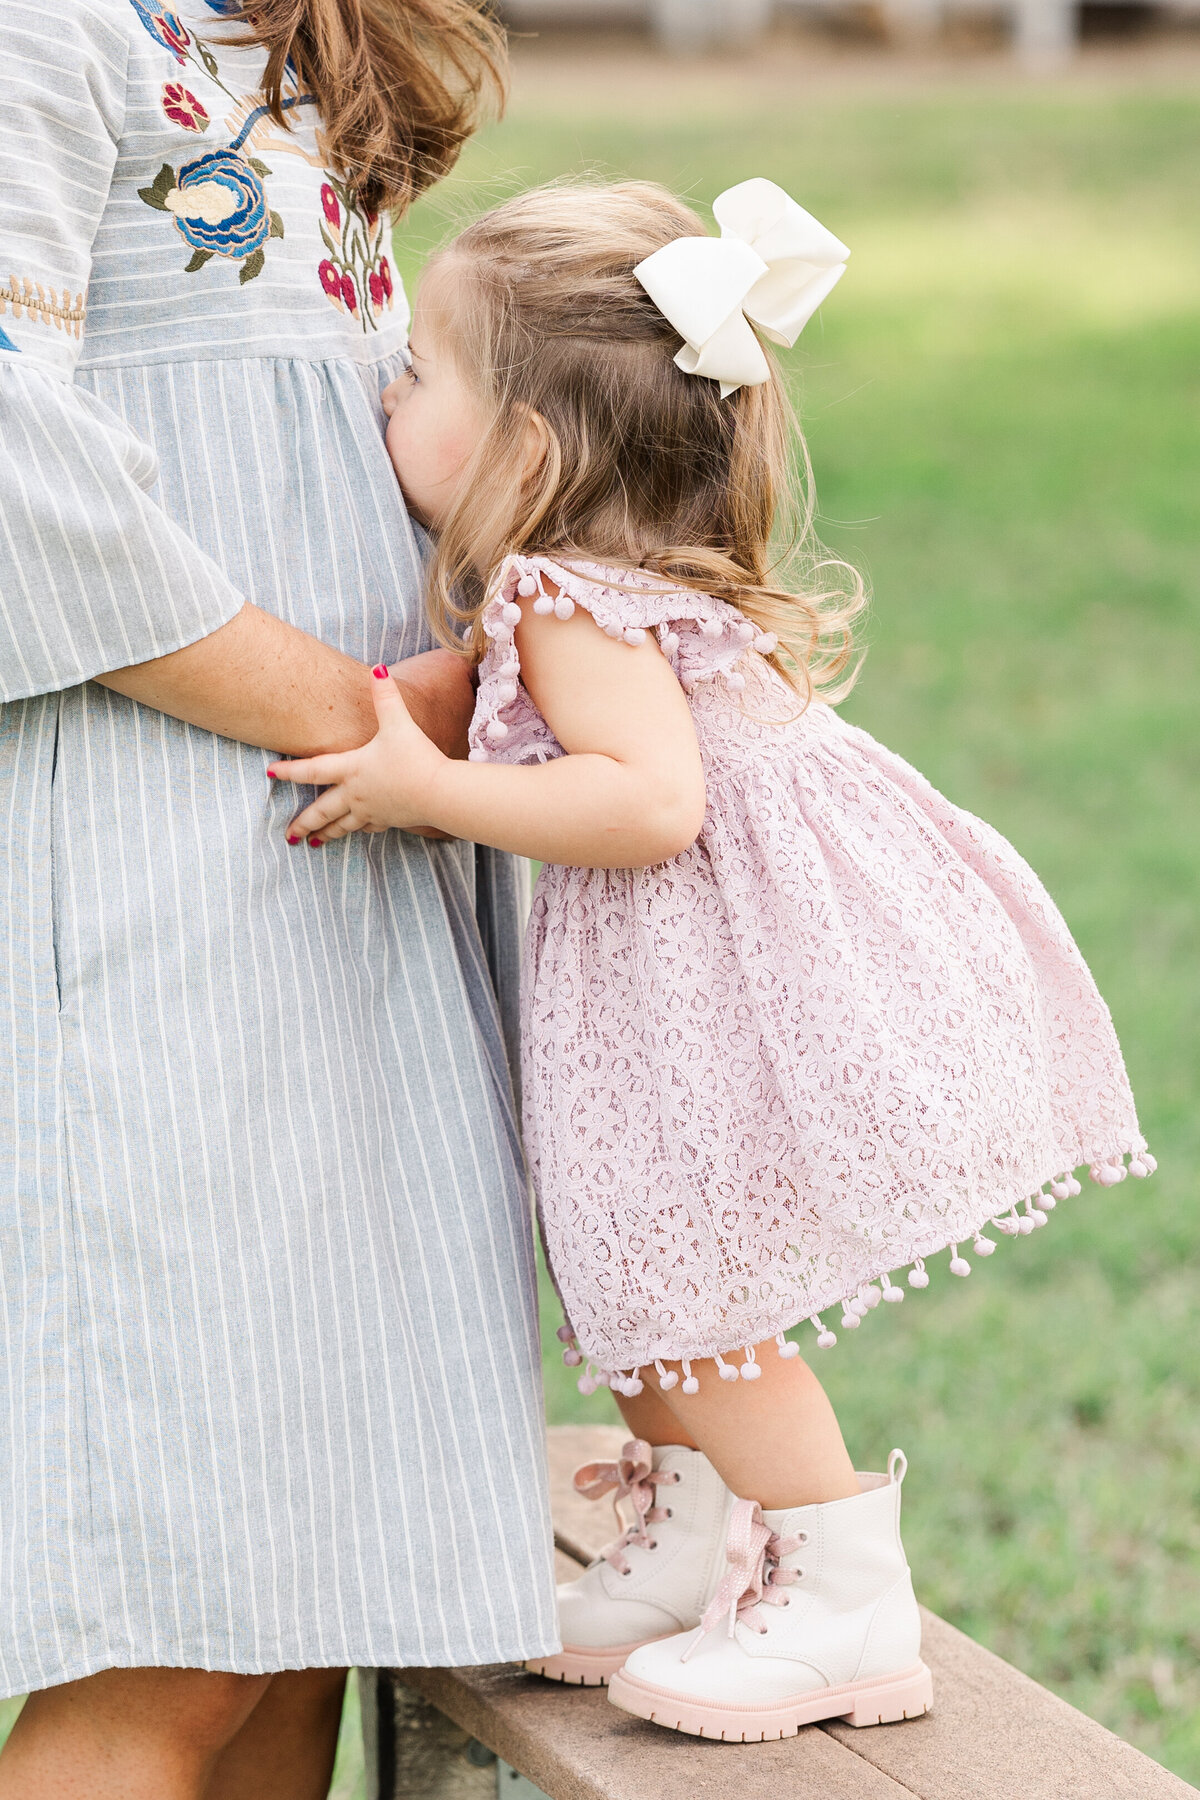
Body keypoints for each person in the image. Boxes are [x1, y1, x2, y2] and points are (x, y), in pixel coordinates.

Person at [268, 176, 1152, 1744]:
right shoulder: (569, 579)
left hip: (709, 985)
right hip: (691, 982)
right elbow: (462, 694)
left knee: (700, 1301)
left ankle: (839, 1591)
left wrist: (425, 792)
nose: (387, 396)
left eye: (417, 377)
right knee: (643, 1275)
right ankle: (681, 1539)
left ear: (521, 453)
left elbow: (648, 800)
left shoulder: (564, 599)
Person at [0, 4, 560, 1796]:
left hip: (359, 883)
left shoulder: (296, 41)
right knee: (171, 1631)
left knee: (296, 1607)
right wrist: (355, 713)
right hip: (165, 861)